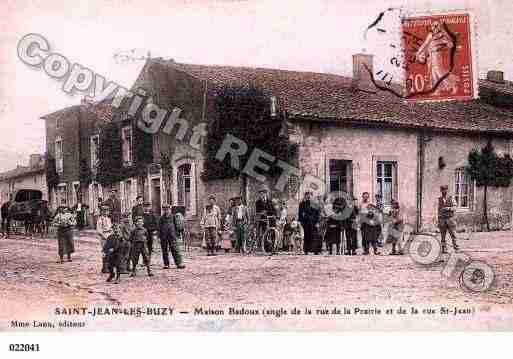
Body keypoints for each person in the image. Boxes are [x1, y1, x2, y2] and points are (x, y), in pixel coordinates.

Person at [159, 204, 185, 269]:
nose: (166, 211)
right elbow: (159, 227)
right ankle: (166, 264)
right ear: (163, 210)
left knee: (175, 249)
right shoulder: (161, 218)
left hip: (172, 235)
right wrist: (159, 235)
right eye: (165, 210)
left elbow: (177, 226)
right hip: (164, 236)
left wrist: (178, 233)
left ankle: (179, 263)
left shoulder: (173, 217)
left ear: (170, 210)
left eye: (167, 209)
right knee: (164, 250)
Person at [298, 191, 321, 255]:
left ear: (311, 196)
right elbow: (300, 213)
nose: (308, 197)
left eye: (309, 195)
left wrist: (317, 222)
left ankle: (315, 250)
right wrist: (300, 221)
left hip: (313, 222)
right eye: (307, 195)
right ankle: (306, 250)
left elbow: (318, 214)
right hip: (306, 223)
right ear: (305, 196)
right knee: (306, 236)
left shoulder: (315, 204)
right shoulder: (302, 204)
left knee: (314, 236)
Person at [438, 185, 459, 253]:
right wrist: (438, 219)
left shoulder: (451, 198)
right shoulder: (440, 199)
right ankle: (444, 248)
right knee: (443, 236)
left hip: (450, 219)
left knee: (453, 234)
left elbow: (455, 207)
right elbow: (438, 210)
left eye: (445, 190)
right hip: (442, 219)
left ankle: (456, 248)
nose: (444, 191)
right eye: (442, 190)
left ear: (447, 190)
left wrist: (448, 208)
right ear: (441, 191)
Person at [96, 204, 113, 273]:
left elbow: (111, 228)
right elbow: (99, 230)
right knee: (105, 252)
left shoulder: (108, 219)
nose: (106, 212)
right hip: (104, 237)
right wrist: (104, 236)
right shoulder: (100, 220)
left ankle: (108, 266)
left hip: (109, 236)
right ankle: (104, 267)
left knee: (109, 252)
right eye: (104, 211)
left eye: (107, 211)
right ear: (102, 212)